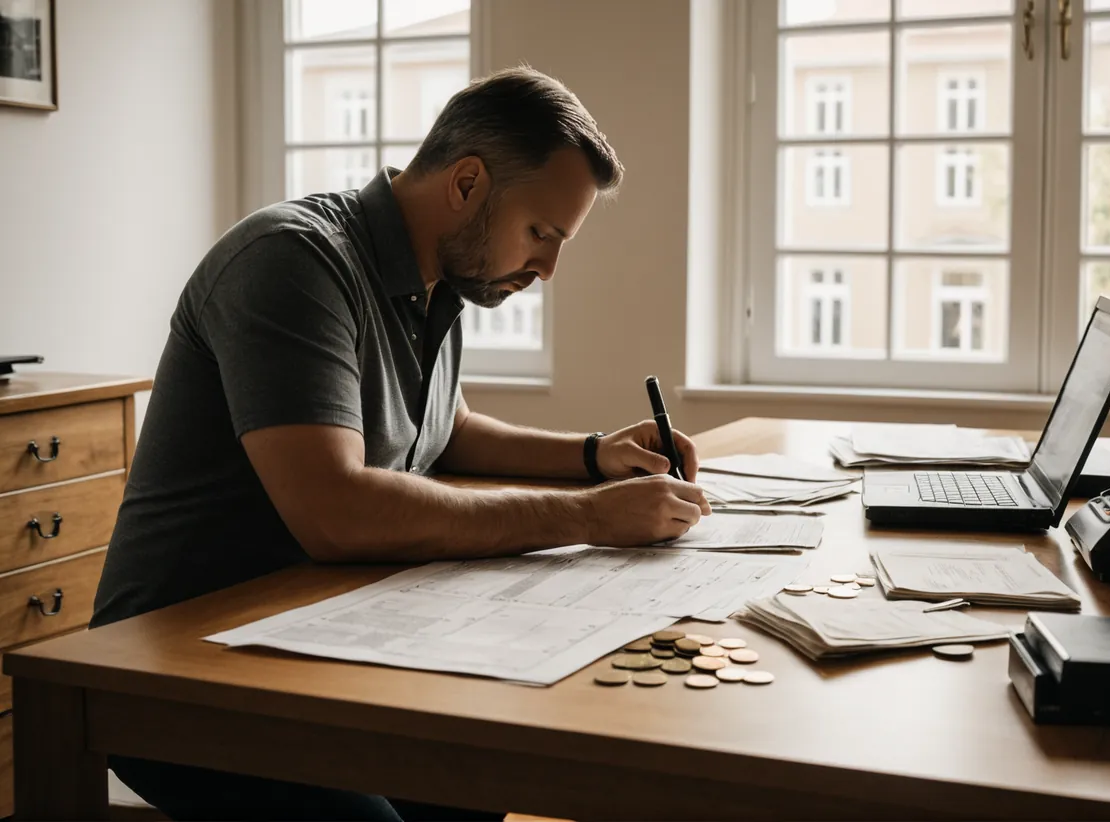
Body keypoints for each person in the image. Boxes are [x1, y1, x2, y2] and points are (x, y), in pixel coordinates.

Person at [90, 66, 711, 821]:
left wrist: (593, 455)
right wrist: (587, 518)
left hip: (324, 630)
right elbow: (339, 512)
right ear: (467, 184)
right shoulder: (291, 262)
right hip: (184, 664)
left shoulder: (437, 279)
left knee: (486, 772)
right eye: (542, 233)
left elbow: (443, 432)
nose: (548, 268)